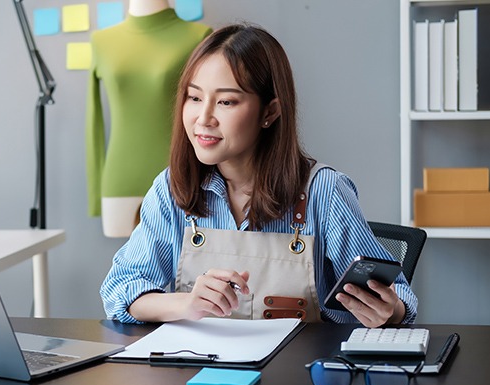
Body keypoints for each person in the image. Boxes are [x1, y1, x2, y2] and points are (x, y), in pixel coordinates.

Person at [99, 23, 418, 328]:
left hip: (298, 377)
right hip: (199, 376)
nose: (204, 118)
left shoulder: (323, 191)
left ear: (270, 112)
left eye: (225, 101)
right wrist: (186, 304)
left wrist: (390, 310)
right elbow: (120, 290)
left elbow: (402, 298)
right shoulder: (172, 188)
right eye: (194, 98)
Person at [85, 0, 211, 238]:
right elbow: (94, 123)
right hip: (120, 179)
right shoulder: (101, 41)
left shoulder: (198, 37)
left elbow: (206, 111)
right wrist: (96, 192)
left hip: (181, 175)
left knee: (187, 263)